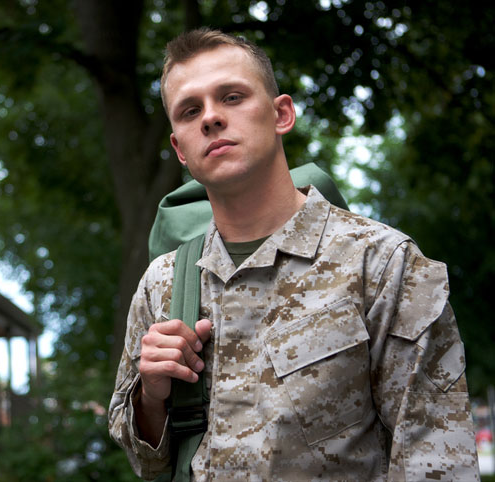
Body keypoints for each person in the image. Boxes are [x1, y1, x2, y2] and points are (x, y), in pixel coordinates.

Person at [108, 28, 478, 481]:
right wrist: (151, 397)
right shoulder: (162, 285)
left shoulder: (382, 263)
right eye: (190, 110)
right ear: (180, 148)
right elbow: (148, 464)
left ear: (282, 114)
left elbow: (434, 458)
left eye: (232, 97)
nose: (210, 118)